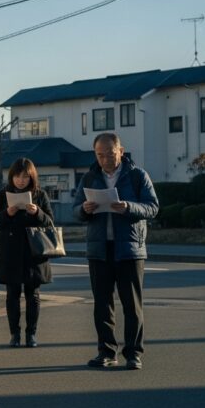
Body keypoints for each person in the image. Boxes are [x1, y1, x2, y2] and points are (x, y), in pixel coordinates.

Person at [73, 133, 158, 370]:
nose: (105, 159)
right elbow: (75, 210)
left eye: (110, 154)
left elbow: (153, 207)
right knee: (102, 303)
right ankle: (106, 351)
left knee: (132, 304)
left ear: (121, 151)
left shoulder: (137, 175)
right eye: (100, 155)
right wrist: (84, 209)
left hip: (129, 249)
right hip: (99, 249)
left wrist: (129, 207)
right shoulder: (90, 176)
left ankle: (133, 353)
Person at [0, 158, 54, 349]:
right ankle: (14, 334)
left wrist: (38, 213)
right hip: (10, 250)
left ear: (32, 177)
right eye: (17, 176)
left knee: (33, 295)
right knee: (12, 294)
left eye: (25, 176)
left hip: (33, 251)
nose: (21, 180)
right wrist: (7, 214)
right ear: (11, 176)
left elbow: (50, 221)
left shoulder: (40, 195)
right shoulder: (3, 195)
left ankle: (31, 334)